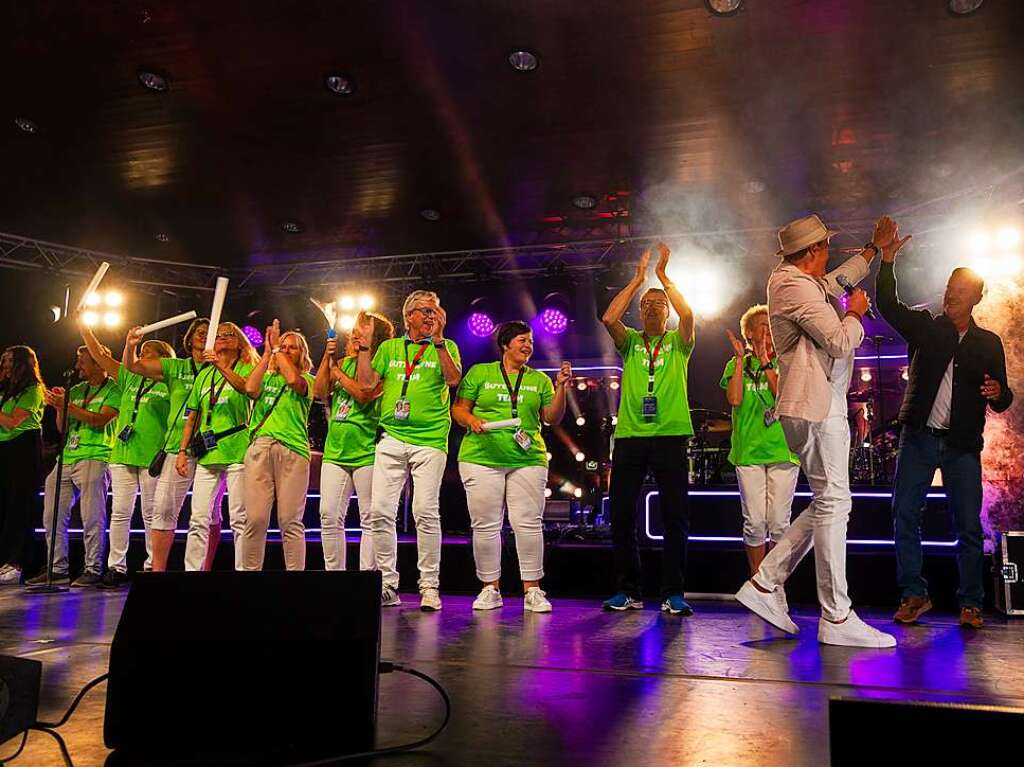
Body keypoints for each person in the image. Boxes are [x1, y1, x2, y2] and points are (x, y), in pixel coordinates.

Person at [735, 213, 899, 648]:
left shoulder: (799, 281)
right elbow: (841, 342)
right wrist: (856, 315)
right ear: (811, 253)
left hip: (818, 407)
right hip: (816, 410)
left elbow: (834, 281)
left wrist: (873, 251)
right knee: (834, 505)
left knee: (830, 502)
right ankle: (836, 614)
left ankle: (767, 582)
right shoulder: (792, 285)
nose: (829, 254)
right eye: (826, 247)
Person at [876, 235, 1014, 629]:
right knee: (904, 514)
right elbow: (888, 304)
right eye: (949, 289)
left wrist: (998, 391)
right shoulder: (925, 327)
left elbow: (1002, 398)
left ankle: (971, 602)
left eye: (960, 292)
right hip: (919, 436)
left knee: (968, 525)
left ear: (975, 298)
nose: (951, 296)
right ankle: (913, 594)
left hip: (961, 446)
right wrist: (887, 261)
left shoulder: (988, 343)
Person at [600, 242, 696, 616]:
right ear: (639, 312)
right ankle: (629, 590)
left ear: (668, 312)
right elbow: (609, 319)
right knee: (622, 514)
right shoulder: (631, 343)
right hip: (630, 437)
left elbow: (688, 313)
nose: (653, 305)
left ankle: (673, 592)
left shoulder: (678, 343)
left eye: (660, 304)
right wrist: (638, 280)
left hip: (671, 435)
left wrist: (663, 279)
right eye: (646, 303)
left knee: (675, 517)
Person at [452, 321, 572, 613]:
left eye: (530, 341)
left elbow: (552, 418)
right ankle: (489, 588)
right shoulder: (480, 372)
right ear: (506, 344)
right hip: (481, 456)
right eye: (522, 340)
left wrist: (561, 388)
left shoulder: (540, 379)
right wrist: (472, 421)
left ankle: (533, 590)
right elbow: (458, 409)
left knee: (528, 523)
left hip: (527, 458)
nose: (528, 345)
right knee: (486, 524)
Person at [356, 291, 462, 611]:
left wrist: (440, 341)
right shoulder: (389, 348)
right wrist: (363, 346)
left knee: (425, 512)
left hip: (430, 440)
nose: (432, 316)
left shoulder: (447, 345)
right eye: (425, 311)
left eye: (436, 310)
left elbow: (453, 378)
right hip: (391, 437)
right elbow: (366, 384)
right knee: (379, 512)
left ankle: (429, 585)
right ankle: (388, 582)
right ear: (409, 317)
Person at [80, 322, 173, 588]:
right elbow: (100, 356)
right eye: (141, 352)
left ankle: (150, 566)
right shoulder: (129, 376)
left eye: (149, 353)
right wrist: (86, 328)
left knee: (150, 513)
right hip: (122, 454)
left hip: (152, 455)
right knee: (120, 512)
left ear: (164, 359)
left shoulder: (171, 382)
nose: (142, 357)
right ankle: (116, 567)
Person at [26, 345, 121, 587]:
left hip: (95, 455)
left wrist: (67, 405)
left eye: (83, 362)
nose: (77, 366)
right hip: (67, 456)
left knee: (91, 516)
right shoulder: (77, 389)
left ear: (99, 363)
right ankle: (57, 567)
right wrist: (59, 407)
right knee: (52, 514)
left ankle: (93, 568)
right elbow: (63, 428)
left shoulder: (115, 389)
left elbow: (99, 420)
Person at [722, 305, 800, 584]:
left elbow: (783, 396)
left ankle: (775, 584)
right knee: (754, 521)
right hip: (749, 451)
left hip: (782, 449)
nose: (768, 331)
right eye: (762, 327)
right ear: (749, 333)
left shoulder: (786, 361)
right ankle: (757, 582)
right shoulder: (735, 364)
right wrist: (742, 360)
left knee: (779, 523)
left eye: (771, 326)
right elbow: (734, 399)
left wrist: (766, 361)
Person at [125, 317, 209, 572]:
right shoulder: (176, 367)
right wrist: (129, 346)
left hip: (211, 447)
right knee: (163, 510)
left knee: (206, 516)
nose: (204, 335)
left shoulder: (220, 367)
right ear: (190, 337)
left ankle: (201, 571)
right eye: (199, 332)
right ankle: (157, 571)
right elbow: (134, 367)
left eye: (209, 332)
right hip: (177, 446)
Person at [314, 313, 394, 571]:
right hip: (335, 450)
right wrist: (328, 360)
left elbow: (363, 393)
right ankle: (335, 575)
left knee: (370, 518)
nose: (355, 334)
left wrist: (336, 370)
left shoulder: (383, 365)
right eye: (356, 330)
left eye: (363, 330)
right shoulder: (343, 362)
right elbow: (318, 392)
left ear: (376, 337)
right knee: (328, 515)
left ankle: (366, 577)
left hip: (367, 450)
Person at [176, 322, 258, 570]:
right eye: (219, 335)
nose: (222, 338)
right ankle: (193, 571)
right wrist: (182, 451)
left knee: (239, 518)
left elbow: (246, 389)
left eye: (229, 335)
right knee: (198, 517)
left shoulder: (248, 366)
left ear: (240, 341)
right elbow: (193, 416)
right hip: (207, 453)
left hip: (237, 449)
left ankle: (242, 571)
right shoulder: (204, 374)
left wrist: (222, 367)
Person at [242, 322, 316, 571]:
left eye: (292, 348)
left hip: (292, 449)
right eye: (283, 346)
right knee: (255, 518)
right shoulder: (267, 375)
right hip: (261, 447)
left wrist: (276, 351)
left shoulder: (308, 379)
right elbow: (250, 388)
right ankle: (250, 575)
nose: (286, 350)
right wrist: (267, 354)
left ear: (301, 353)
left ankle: (295, 577)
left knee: (289, 520)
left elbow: (294, 380)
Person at [0, 346, 46, 585]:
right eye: (3, 361)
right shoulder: (6, 390)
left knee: (20, 505)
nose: (5, 365)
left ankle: (17, 562)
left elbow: (12, 422)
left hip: (23, 448)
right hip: (5, 449)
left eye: (9, 361)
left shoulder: (33, 389)